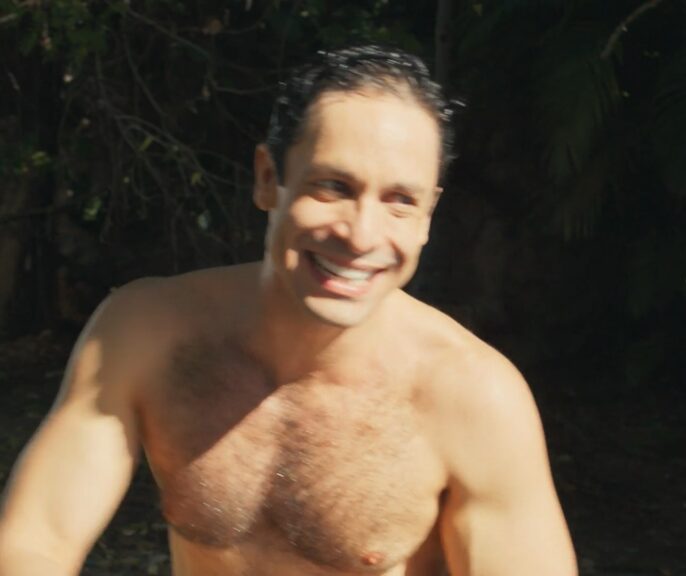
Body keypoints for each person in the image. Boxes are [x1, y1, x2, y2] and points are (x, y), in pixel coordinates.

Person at [0, 45, 577, 576]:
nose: (361, 234)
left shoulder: (473, 397)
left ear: (427, 217)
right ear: (267, 179)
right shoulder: (146, 332)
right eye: (333, 187)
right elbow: (35, 542)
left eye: (401, 200)